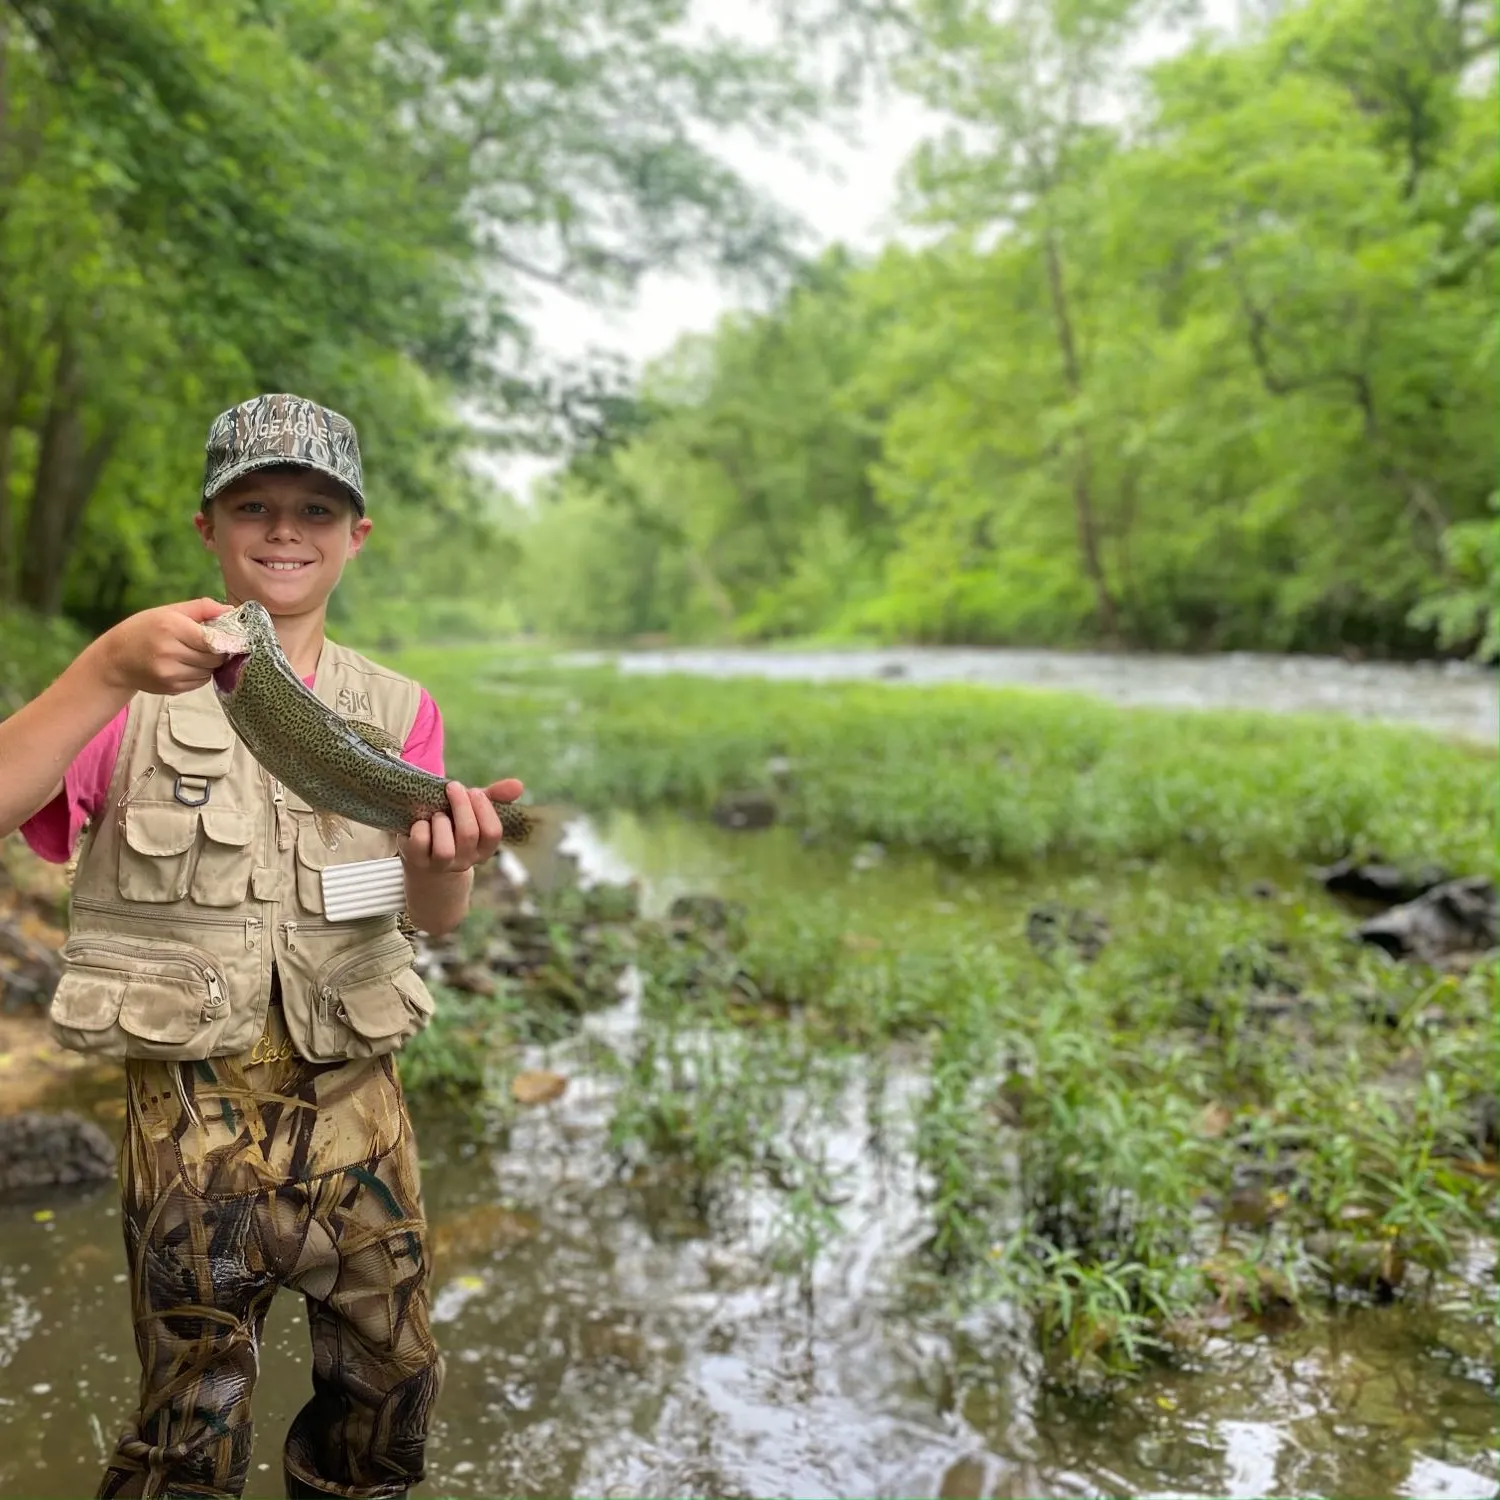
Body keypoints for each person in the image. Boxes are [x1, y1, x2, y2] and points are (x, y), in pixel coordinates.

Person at [0, 393, 522, 1500]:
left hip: (359, 1108)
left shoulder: (397, 706)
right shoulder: (131, 690)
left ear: (355, 537)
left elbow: (434, 919)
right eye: (256, 506)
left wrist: (452, 856)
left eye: (315, 510)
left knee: (393, 1388)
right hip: (187, 1120)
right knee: (192, 1405)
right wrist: (102, 667)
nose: (286, 531)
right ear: (209, 527)